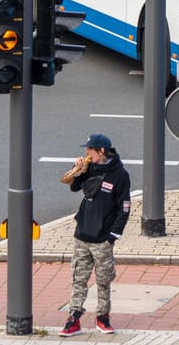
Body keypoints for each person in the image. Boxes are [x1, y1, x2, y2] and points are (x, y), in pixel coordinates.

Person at [59, 133, 131, 337]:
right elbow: (72, 186)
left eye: (89, 150)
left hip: (102, 240)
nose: (86, 153)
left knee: (103, 280)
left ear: (101, 151)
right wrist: (78, 170)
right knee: (78, 278)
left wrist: (112, 237)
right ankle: (74, 318)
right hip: (82, 235)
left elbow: (124, 208)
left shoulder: (120, 175)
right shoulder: (88, 167)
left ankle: (103, 318)